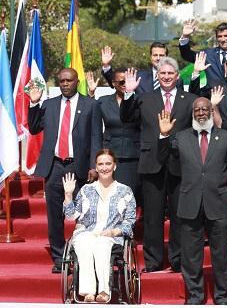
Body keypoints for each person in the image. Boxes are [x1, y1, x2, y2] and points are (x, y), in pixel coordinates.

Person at [157, 98, 227, 305]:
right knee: (191, 256)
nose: (201, 113)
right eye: (197, 110)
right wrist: (164, 136)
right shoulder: (181, 137)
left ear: (211, 111)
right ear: (193, 113)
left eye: (205, 109)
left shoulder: (226, 137)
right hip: (190, 204)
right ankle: (195, 296)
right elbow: (162, 159)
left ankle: (223, 297)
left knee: (221, 256)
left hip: (219, 204)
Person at [120, 57, 198, 273]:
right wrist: (128, 93)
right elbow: (126, 118)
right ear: (157, 75)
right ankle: (153, 260)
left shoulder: (190, 99)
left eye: (170, 73)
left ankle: (177, 259)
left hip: (180, 163)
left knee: (179, 215)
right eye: (162, 73)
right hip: (151, 162)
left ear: (177, 76)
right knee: (152, 217)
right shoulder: (144, 98)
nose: (166, 77)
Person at [27, 68, 102, 274]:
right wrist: (34, 103)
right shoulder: (49, 105)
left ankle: (83, 255)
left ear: (77, 82)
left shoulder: (91, 105)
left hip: (79, 166)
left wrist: (94, 166)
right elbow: (34, 128)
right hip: (54, 166)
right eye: (61, 81)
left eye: (69, 80)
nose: (65, 84)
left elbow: (96, 136)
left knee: (84, 214)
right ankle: (59, 258)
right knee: (54, 215)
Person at [62, 149, 136, 303]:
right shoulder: (86, 190)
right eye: (101, 164)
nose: (104, 167)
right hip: (87, 233)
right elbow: (71, 216)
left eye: (108, 163)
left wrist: (113, 232)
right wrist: (68, 195)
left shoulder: (125, 191)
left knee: (101, 244)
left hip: (111, 236)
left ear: (114, 166)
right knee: (84, 242)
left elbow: (130, 221)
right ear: (96, 167)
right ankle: (88, 291)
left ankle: (103, 291)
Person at [95, 69, 141, 194]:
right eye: (121, 82)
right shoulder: (103, 102)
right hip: (109, 154)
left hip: (132, 155)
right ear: (113, 83)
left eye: (128, 81)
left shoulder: (139, 100)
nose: (125, 85)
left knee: (128, 195)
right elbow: (95, 132)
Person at [179, 20, 227, 86]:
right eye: (220, 36)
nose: (223, 39)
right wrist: (185, 36)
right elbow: (187, 55)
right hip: (211, 95)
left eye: (226, 36)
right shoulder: (208, 54)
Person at [101, 42, 168, 94]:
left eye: (161, 55)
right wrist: (106, 65)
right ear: (151, 57)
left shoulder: (173, 77)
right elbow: (117, 83)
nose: (158, 58)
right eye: (155, 55)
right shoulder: (139, 76)